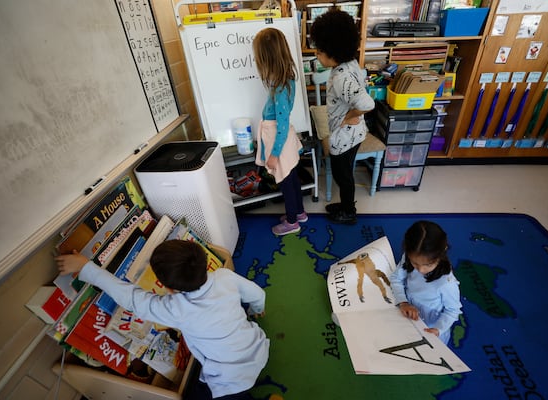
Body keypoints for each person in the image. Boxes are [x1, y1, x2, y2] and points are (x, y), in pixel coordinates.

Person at [55, 239, 269, 400]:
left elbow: (130, 298)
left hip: (231, 381)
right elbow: (258, 294)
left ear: (169, 288)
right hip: (256, 349)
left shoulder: (176, 309)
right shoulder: (224, 276)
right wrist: (256, 309)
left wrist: (85, 267)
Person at [310, 9, 375, 225]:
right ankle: (347, 205)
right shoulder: (349, 63)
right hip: (355, 134)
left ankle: (348, 212)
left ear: (333, 52)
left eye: (319, 51)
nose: (316, 55)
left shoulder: (341, 78)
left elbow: (367, 103)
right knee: (346, 172)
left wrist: (348, 116)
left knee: (342, 175)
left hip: (343, 136)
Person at [253, 27, 307, 236]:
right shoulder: (283, 81)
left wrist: (274, 154)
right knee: (292, 178)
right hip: (280, 139)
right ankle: (299, 213)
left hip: (280, 142)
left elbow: (282, 125)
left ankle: (292, 221)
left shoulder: (281, 87)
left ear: (267, 59)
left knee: (286, 183)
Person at [389, 221, 462, 344]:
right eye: (415, 263)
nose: (421, 270)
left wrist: (437, 330)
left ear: (442, 252)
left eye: (428, 264)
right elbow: (396, 279)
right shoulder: (408, 256)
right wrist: (403, 302)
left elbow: (452, 310)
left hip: (431, 330)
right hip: (408, 317)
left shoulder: (447, 283)